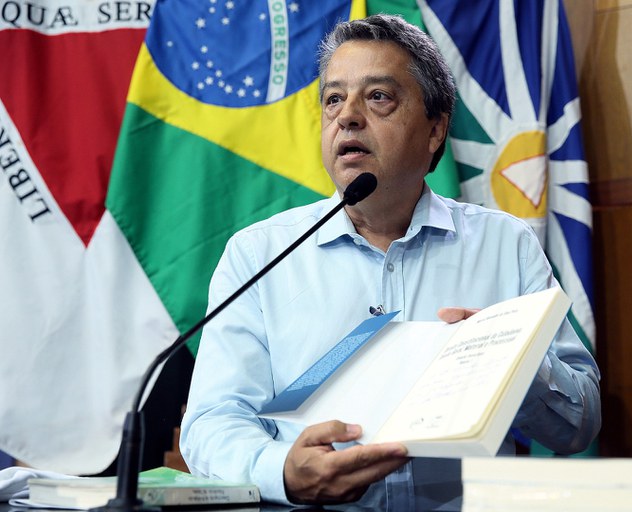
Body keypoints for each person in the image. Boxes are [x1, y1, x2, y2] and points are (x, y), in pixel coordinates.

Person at [180, 14, 600, 510]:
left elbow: (581, 423)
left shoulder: (505, 245)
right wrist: (283, 471)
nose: (347, 117)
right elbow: (212, 422)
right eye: (333, 99)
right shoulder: (259, 254)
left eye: (378, 96)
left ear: (435, 129)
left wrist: (516, 365)